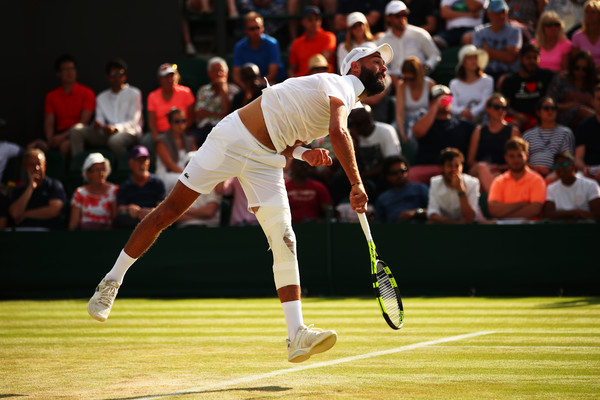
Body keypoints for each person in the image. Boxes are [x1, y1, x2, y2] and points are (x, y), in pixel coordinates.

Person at [87, 43, 394, 363]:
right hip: (233, 139)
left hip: (266, 159)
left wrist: (305, 154)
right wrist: (356, 183)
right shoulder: (341, 85)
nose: (384, 67)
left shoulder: (340, 99)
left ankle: (296, 334)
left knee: (285, 237)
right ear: (356, 67)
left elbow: (288, 140)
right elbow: (338, 131)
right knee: (169, 212)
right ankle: (111, 280)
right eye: (376, 61)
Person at [70, 59, 143, 158]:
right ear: (107, 76)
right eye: (113, 73)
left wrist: (116, 128)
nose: (117, 77)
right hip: (105, 133)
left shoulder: (134, 93)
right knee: (76, 130)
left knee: (115, 141)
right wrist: (98, 123)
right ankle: (80, 166)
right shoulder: (101, 97)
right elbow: (100, 118)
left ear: (125, 76)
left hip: (129, 132)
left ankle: (126, 166)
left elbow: (133, 122)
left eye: (120, 74)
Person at [410, 85, 475, 185]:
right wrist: (435, 107)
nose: (444, 101)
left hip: (453, 170)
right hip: (426, 167)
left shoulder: (464, 125)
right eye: (438, 99)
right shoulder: (424, 121)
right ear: (430, 103)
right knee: (411, 175)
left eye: (448, 98)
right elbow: (417, 132)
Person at [377, 1, 441, 87]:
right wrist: (390, 76)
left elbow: (434, 54)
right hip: (394, 83)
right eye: (398, 15)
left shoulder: (419, 34)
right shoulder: (383, 40)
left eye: (405, 14)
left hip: (418, 79)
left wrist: (426, 67)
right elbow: (381, 64)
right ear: (388, 18)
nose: (402, 18)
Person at [467, 93, 521, 193]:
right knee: (482, 167)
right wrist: (487, 168)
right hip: (479, 168)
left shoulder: (513, 131)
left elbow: (518, 159)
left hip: (502, 170)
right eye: (497, 107)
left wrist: (498, 168)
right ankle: (496, 197)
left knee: (485, 179)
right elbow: (470, 160)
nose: (501, 110)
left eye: (504, 107)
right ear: (488, 109)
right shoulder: (478, 131)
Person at [43, 54, 95, 156]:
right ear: (58, 74)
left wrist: (62, 137)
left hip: (80, 134)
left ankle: (75, 171)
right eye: (65, 69)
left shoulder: (87, 93)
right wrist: (50, 140)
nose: (70, 72)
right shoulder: (51, 96)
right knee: (36, 147)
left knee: (65, 146)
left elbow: (84, 122)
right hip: (59, 134)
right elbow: (49, 122)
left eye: (72, 69)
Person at [487, 136, 546, 220]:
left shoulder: (537, 180)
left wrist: (505, 215)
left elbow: (535, 210)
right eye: (512, 156)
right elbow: (493, 210)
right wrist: (521, 204)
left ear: (526, 155)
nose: (516, 160)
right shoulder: (498, 181)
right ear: (506, 157)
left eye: (519, 156)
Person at [500, 43, 556, 132]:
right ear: (521, 59)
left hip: (541, 118)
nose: (532, 61)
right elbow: (504, 105)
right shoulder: (510, 80)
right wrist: (516, 115)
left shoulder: (547, 76)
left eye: (535, 58)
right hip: (517, 118)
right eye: (528, 58)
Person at [348, 106, 401, 196]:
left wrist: (363, 175)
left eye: (358, 124)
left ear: (368, 121)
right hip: (360, 176)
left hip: (382, 175)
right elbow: (351, 162)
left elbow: (391, 162)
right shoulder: (353, 135)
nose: (354, 127)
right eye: (351, 124)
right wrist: (356, 142)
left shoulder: (386, 131)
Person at [8, 149, 66, 230]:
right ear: (25, 167)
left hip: (48, 234)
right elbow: (15, 214)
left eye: (39, 164)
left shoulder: (54, 185)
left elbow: (54, 210)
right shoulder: (18, 189)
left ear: (44, 166)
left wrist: (25, 214)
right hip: (22, 234)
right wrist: (30, 188)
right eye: (32, 165)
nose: (36, 168)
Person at [114, 145, 166, 229]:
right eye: (138, 161)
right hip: (132, 221)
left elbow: (162, 205)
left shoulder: (157, 183)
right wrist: (129, 208)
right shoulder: (125, 186)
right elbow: (119, 208)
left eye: (144, 160)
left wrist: (151, 212)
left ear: (148, 163)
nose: (142, 164)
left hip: (153, 221)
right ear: (130, 164)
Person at [522, 96, 575, 179]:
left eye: (553, 108)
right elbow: (521, 160)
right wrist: (535, 168)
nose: (550, 111)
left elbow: (567, 159)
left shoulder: (565, 133)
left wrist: (553, 171)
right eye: (546, 108)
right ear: (538, 112)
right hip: (531, 173)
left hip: (557, 173)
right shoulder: (528, 135)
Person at [144, 63, 195, 149]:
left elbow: (192, 117)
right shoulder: (152, 96)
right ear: (160, 80)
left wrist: (181, 130)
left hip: (182, 131)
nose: (170, 79)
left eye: (172, 76)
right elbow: (152, 122)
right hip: (161, 132)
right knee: (146, 142)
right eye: (166, 77)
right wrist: (156, 136)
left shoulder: (186, 92)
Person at [471, 0, 522, 84]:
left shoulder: (515, 32)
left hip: (508, 74)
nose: (502, 16)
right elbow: (479, 58)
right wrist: (502, 54)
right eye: (498, 13)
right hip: (484, 74)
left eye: (504, 13)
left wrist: (487, 51)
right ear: (489, 14)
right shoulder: (479, 31)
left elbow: (510, 57)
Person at [193, 57, 240, 147]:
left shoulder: (234, 90)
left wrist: (223, 89)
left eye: (221, 71)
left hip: (225, 129)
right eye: (215, 71)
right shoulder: (203, 90)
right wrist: (219, 115)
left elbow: (227, 113)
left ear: (226, 73)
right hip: (204, 128)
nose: (219, 74)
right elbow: (199, 113)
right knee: (191, 140)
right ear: (209, 74)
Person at [427, 147, 480, 224]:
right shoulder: (434, 182)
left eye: (457, 166)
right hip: (444, 227)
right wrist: (455, 223)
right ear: (442, 167)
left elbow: (470, 217)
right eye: (449, 166)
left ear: (462, 167)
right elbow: (432, 213)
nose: (454, 170)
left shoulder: (473, 183)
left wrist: (460, 189)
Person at [232, 12, 285, 87]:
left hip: (269, 84)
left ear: (263, 28)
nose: (256, 32)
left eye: (258, 28)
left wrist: (256, 87)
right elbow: (236, 77)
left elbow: (272, 74)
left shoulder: (272, 44)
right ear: (246, 30)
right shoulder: (239, 47)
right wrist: (248, 89)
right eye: (252, 29)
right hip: (248, 87)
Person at [547, 51, 597, 131]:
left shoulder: (592, 84)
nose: (580, 71)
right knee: (581, 110)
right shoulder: (561, 80)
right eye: (577, 68)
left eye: (584, 69)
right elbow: (548, 104)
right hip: (563, 116)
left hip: (588, 121)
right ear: (572, 66)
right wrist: (568, 106)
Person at [544, 150, 600, 221]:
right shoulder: (551, 188)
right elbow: (549, 215)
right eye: (557, 165)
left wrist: (563, 215)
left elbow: (597, 214)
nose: (560, 168)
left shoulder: (591, 185)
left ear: (574, 166)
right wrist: (577, 212)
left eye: (564, 164)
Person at [68, 153, 118, 231]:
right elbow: (73, 225)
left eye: (103, 169)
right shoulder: (79, 192)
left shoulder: (114, 190)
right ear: (88, 174)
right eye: (97, 170)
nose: (101, 173)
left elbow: (116, 221)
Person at [375, 154, 429, 222]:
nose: (400, 175)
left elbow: (434, 212)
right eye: (395, 173)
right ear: (387, 176)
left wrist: (416, 212)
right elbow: (379, 224)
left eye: (403, 171)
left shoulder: (420, 189)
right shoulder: (382, 199)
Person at [395, 56, 436, 144]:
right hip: (406, 123)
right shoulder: (401, 85)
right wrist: (402, 134)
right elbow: (399, 113)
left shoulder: (430, 84)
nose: (408, 82)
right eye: (405, 79)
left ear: (419, 75)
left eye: (411, 79)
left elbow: (433, 110)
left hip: (424, 122)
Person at [449, 44, 494, 124]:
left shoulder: (488, 80)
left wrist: (472, 113)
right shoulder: (454, 83)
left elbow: (485, 103)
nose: (474, 61)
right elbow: (453, 106)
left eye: (475, 58)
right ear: (463, 62)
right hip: (460, 123)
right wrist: (462, 112)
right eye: (470, 58)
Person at [155, 108, 197, 193]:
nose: (181, 124)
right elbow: (169, 164)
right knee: (187, 183)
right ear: (170, 123)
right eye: (177, 121)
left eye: (184, 121)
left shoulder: (190, 140)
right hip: (167, 175)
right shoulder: (161, 140)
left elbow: (195, 160)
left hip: (185, 174)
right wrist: (187, 176)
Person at [176, 151, 222, 228]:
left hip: (208, 230)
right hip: (185, 230)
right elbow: (175, 216)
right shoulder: (180, 187)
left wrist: (185, 211)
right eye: (189, 166)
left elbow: (209, 212)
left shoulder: (212, 184)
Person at [288, 6, 337, 77]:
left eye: (317, 19)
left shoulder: (329, 37)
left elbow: (322, 63)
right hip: (302, 82)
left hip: (324, 79)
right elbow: (292, 69)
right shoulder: (297, 43)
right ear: (303, 22)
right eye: (310, 19)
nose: (314, 22)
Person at [285, 159, 332, 223]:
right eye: (300, 164)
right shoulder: (283, 187)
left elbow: (328, 210)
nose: (304, 167)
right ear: (292, 166)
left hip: (313, 227)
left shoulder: (318, 186)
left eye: (306, 164)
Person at [575, 83, 600, 182]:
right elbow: (578, 158)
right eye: (599, 99)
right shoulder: (584, 126)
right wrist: (584, 168)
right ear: (592, 101)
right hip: (589, 171)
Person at [571, 0, 600, 73]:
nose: (589, 15)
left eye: (593, 12)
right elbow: (575, 61)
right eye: (586, 12)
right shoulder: (577, 36)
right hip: (584, 73)